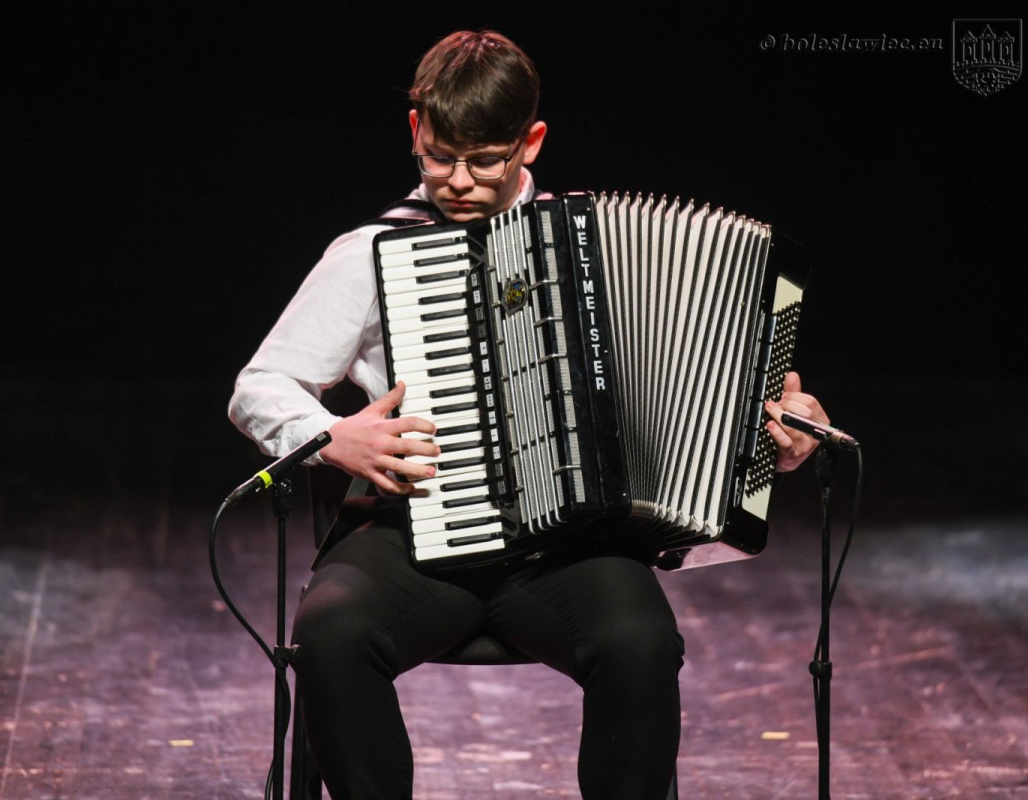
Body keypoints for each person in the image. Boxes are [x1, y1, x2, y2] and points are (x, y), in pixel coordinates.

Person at [229, 30, 830, 800]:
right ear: (415, 131)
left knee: (641, 642)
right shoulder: (371, 252)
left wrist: (780, 437)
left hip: (568, 549)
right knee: (332, 635)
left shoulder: (594, 246)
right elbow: (260, 383)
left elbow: (712, 397)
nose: (460, 182)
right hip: (413, 537)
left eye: (485, 160)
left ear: (531, 141)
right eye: (440, 156)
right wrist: (333, 436)